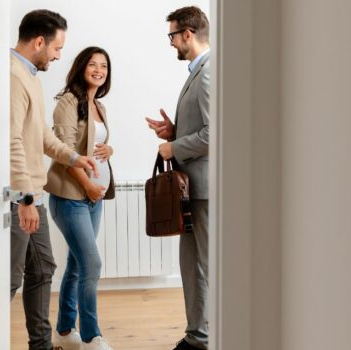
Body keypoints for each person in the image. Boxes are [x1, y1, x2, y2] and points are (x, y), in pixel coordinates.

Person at [10, 9, 98, 350]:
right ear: (38, 42)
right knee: (9, 280)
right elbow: (12, 142)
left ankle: (41, 346)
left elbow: (42, 135)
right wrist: (25, 198)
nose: (59, 56)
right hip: (21, 199)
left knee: (43, 269)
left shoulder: (30, 76)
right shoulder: (13, 77)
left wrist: (74, 157)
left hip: (34, 196)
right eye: (57, 48)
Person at [145, 6, 211, 350]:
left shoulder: (210, 72)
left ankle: (213, 336)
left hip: (205, 189)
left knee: (208, 267)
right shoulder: (198, 71)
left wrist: (175, 147)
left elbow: (216, 133)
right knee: (191, 266)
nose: (170, 42)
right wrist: (174, 131)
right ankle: (198, 337)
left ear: (187, 33)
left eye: (172, 35)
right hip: (193, 190)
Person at [45, 46, 116, 350]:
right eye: (93, 64)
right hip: (70, 197)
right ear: (81, 67)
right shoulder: (68, 102)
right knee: (92, 264)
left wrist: (110, 149)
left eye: (104, 66)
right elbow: (64, 151)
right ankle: (91, 336)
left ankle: (64, 331)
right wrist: (87, 185)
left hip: (93, 198)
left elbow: (95, 145)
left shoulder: (98, 105)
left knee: (77, 265)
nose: (99, 70)